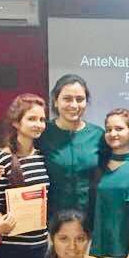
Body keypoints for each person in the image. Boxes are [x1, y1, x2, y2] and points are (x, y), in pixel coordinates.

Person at [0, 94, 51, 258]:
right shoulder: (3, 160)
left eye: (42, 119)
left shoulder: (42, 156)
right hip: (11, 250)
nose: (38, 124)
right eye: (32, 119)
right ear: (16, 122)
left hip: (40, 246)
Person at [89, 108, 129, 258]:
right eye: (108, 129)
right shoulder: (97, 165)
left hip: (125, 254)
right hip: (97, 250)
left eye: (119, 129)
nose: (113, 133)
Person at [37, 74, 105, 217]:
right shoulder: (42, 133)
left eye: (79, 99)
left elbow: (116, 164)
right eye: (67, 99)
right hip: (50, 219)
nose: (74, 105)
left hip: (88, 218)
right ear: (55, 101)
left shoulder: (98, 135)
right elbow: (17, 153)